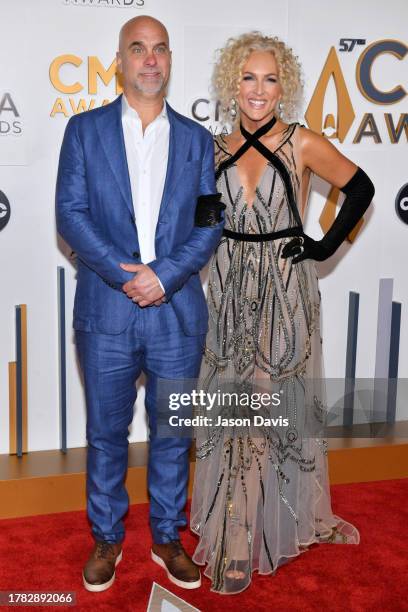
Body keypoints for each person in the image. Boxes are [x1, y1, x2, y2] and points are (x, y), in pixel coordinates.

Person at [190, 32, 374, 594]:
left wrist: (323, 245)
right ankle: (244, 519)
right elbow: (197, 224)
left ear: (284, 86)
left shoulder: (301, 143)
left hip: (284, 287)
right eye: (249, 77)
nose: (259, 90)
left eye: (270, 79)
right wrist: (202, 219)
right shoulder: (211, 150)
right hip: (225, 287)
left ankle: (243, 536)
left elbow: (361, 187)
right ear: (231, 83)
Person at [56, 15, 224, 592]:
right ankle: (107, 538)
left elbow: (209, 225)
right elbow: (70, 215)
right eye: (137, 50)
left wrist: (164, 276)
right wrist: (126, 274)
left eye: (159, 50)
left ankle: (168, 537)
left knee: (173, 431)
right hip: (106, 311)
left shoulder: (200, 142)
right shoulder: (84, 130)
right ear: (121, 61)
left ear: (170, 60)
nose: (149, 60)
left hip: (176, 312)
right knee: (106, 433)